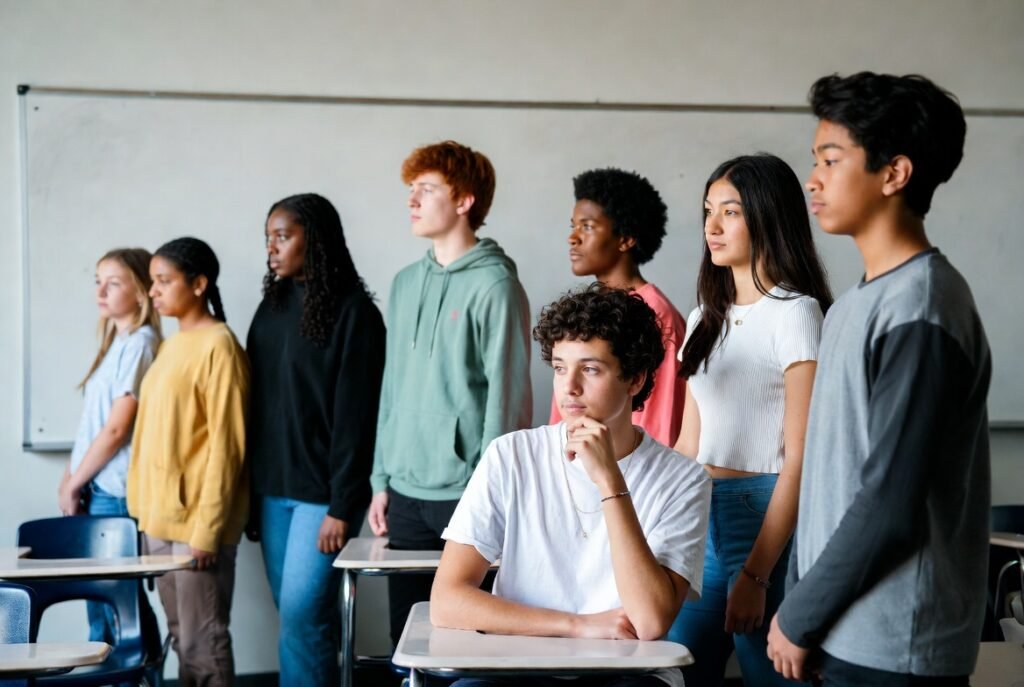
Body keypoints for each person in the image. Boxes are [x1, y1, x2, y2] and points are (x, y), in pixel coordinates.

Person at [766, 72, 991, 687]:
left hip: (892, 647)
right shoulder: (854, 305)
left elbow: (892, 502)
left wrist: (799, 616)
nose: (812, 178)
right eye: (815, 160)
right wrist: (801, 605)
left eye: (831, 160)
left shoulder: (922, 306)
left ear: (894, 174)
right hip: (838, 631)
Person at [431, 284, 711, 687]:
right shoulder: (511, 455)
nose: (569, 387)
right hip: (516, 664)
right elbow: (447, 600)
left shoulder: (684, 479)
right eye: (561, 367)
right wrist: (577, 626)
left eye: (590, 369)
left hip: (626, 672)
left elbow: (650, 622)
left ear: (635, 379)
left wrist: (610, 481)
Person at [666, 154, 832, 687]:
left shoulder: (796, 313)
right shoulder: (702, 318)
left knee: (772, 679)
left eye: (730, 212)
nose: (712, 226)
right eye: (708, 211)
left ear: (767, 216)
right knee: (676, 671)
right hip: (698, 515)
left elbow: (801, 457)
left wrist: (756, 574)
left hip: (762, 518)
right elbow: (687, 442)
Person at [368, 140, 533, 646]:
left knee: (463, 638)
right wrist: (380, 477)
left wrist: (489, 491)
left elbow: (507, 401)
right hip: (403, 490)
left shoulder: (495, 285)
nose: (412, 200)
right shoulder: (403, 283)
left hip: (464, 490)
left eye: (426, 189)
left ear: (464, 200)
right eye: (410, 190)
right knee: (407, 637)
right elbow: (391, 388)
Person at [247, 193, 385, 686]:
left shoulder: (356, 315)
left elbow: (358, 418)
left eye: (283, 236)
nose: (272, 248)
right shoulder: (272, 307)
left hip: (322, 500)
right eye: (269, 238)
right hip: (272, 491)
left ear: (316, 240)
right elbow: (258, 408)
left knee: (305, 614)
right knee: (296, 616)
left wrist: (342, 506)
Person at [127, 237, 250, 687]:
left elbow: (226, 446)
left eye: (164, 281)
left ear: (198, 284)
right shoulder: (170, 345)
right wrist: (142, 514)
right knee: (181, 639)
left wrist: (207, 531)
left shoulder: (220, 346)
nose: (153, 292)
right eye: (152, 282)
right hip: (158, 521)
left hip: (196, 527)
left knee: (204, 642)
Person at [60, 247, 161, 645]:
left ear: (140, 292)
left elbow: (118, 429)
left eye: (113, 282)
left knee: (118, 605)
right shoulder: (116, 344)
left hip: (115, 490)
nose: (100, 291)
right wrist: (70, 476)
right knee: (100, 604)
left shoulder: (140, 344)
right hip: (95, 485)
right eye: (97, 281)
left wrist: (74, 483)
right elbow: (93, 426)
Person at [548, 168, 687, 447]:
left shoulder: (659, 315)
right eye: (573, 225)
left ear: (626, 239)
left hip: (628, 478)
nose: (572, 238)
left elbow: (661, 422)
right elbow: (564, 407)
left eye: (587, 226)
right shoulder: (583, 309)